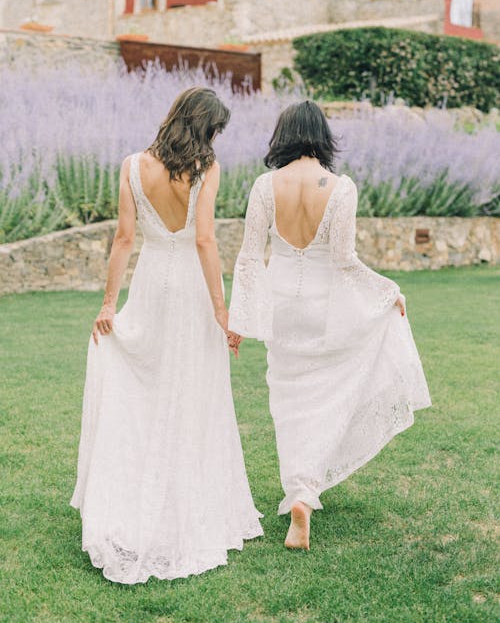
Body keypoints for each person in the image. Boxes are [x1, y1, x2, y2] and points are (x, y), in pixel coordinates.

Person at [70, 87, 263, 584]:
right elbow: (203, 239)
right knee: (194, 394)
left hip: (152, 286)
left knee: (147, 390)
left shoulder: (133, 165)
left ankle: (136, 493)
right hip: (192, 293)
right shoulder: (206, 169)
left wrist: (110, 303)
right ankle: (185, 499)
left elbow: (124, 238)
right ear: (205, 128)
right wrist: (223, 311)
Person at [228, 100, 432, 551]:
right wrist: (387, 291)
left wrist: (240, 317)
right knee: (325, 394)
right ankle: (304, 490)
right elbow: (344, 260)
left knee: (288, 397)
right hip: (323, 306)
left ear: (283, 135)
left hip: (283, 305)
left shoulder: (265, 186)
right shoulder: (340, 188)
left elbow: (248, 255)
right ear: (322, 136)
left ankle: (299, 489)